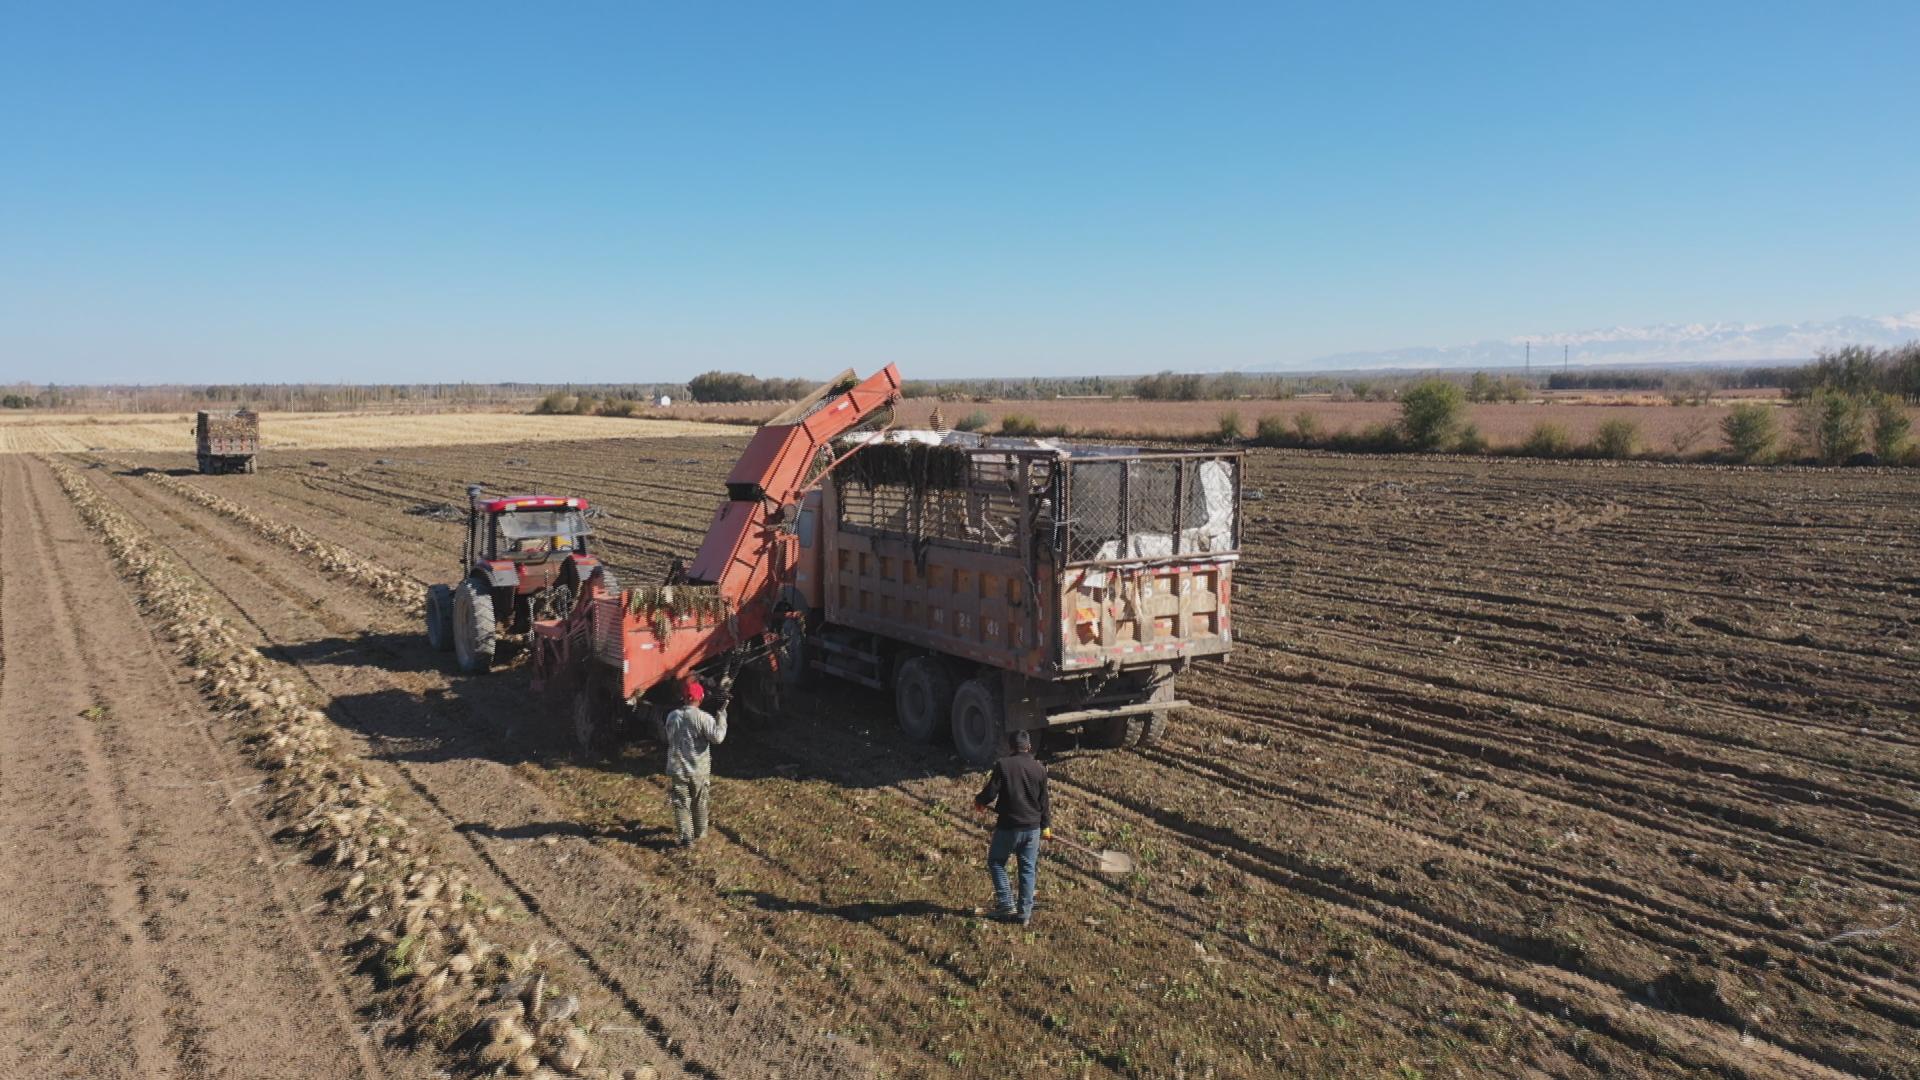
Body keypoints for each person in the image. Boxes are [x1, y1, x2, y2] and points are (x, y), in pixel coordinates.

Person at [973, 730, 1052, 925]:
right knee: (1027, 870)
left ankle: (1006, 903)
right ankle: (1024, 914)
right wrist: (1046, 826)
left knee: (997, 862)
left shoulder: (1004, 765)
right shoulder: (1040, 769)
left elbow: (992, 791)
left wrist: (980, 801)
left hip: (1009, 827)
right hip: (1032, 829)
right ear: (1029, 747)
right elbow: (1044, 801)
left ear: (1010, 747)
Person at [661, 676, 728, 846]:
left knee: (681, 803)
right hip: (699, 769)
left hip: (677, 768)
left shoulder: (672, 716)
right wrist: (722, 718)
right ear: (701, 698)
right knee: (700, 802)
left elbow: (667, 736)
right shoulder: (704, 718)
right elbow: (718, 738)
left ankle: (686, 837)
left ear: (683, 697)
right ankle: (700, 834)